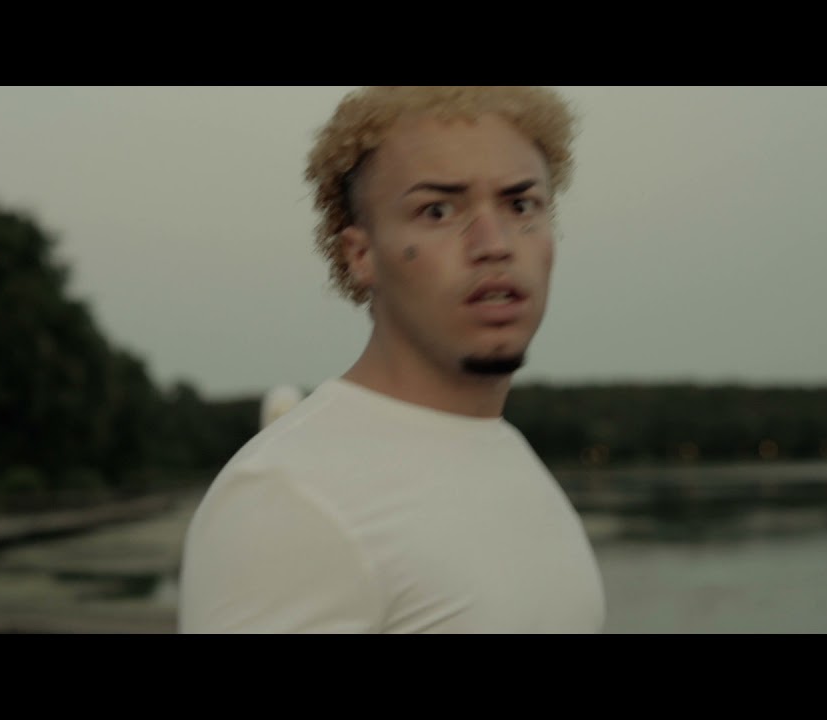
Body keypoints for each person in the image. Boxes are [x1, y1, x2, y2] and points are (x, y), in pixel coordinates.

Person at [178, 86, 605, 633]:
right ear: (361, 255)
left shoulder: (504, 449)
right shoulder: (289, 500)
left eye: (520, 205)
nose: (494, 243)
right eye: (438, 210)